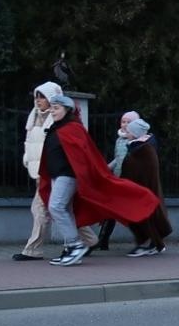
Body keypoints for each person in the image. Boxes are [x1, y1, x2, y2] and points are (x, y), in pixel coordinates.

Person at [38, 92, 160, 267]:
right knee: (65, 209)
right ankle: (71, 249)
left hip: (67, 174)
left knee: (56, 207)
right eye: (52, 108)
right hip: (58, 174)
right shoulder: (58, 128)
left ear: (67, 110)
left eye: (57, 108)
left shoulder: (72, 128)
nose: (53, 111)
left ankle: (75, 245)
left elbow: (84, 155)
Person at [14, 83, 97, 261]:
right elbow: (31, 144)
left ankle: (38, 249)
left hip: (60, 173)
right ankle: (86, 241)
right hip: (45, 173)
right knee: (61, 208)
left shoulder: (64, 123)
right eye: (36, 97)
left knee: (47, 208)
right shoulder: (35, 117)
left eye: (42, 97)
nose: (38, 101)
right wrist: (29, 161)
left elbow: (75, 150)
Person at [119, 118, 173, 256]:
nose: (127, 133)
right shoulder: (139, 147)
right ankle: (151, 243)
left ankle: (152, 243)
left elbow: (144, 171)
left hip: (143, 191)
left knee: (145, 216)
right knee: (141, 216)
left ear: (135, 133)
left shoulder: (144, 149)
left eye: (129, 131)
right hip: (140, 189)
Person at [94, 110, 140, 252]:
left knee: (132, 212)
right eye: (123, 122)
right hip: (117, 179)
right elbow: (118, 158)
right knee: (111, 211)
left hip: (130, 181)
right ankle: (102, 241)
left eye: (128, 122)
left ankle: (144, 239)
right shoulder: (119, 140)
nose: (125, 125)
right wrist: (107, 168)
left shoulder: (137, 142)